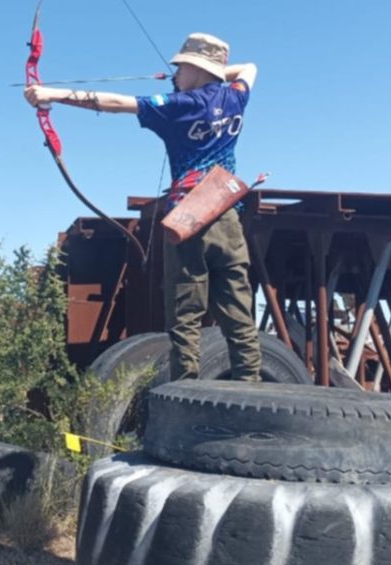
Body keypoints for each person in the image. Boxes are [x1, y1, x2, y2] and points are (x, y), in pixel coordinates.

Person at [24, 32, 261, 382]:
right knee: (238, 309)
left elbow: (115, 103)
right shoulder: (236, 98)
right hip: (226, 215)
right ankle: (251, 383)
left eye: (180, 68)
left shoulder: (179, 107)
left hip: (190, 219)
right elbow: (250, 68)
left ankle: (186, 389)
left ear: (196, 69)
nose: (174, 74)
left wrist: (52, 94)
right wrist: (213, 74)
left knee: (185, 312)